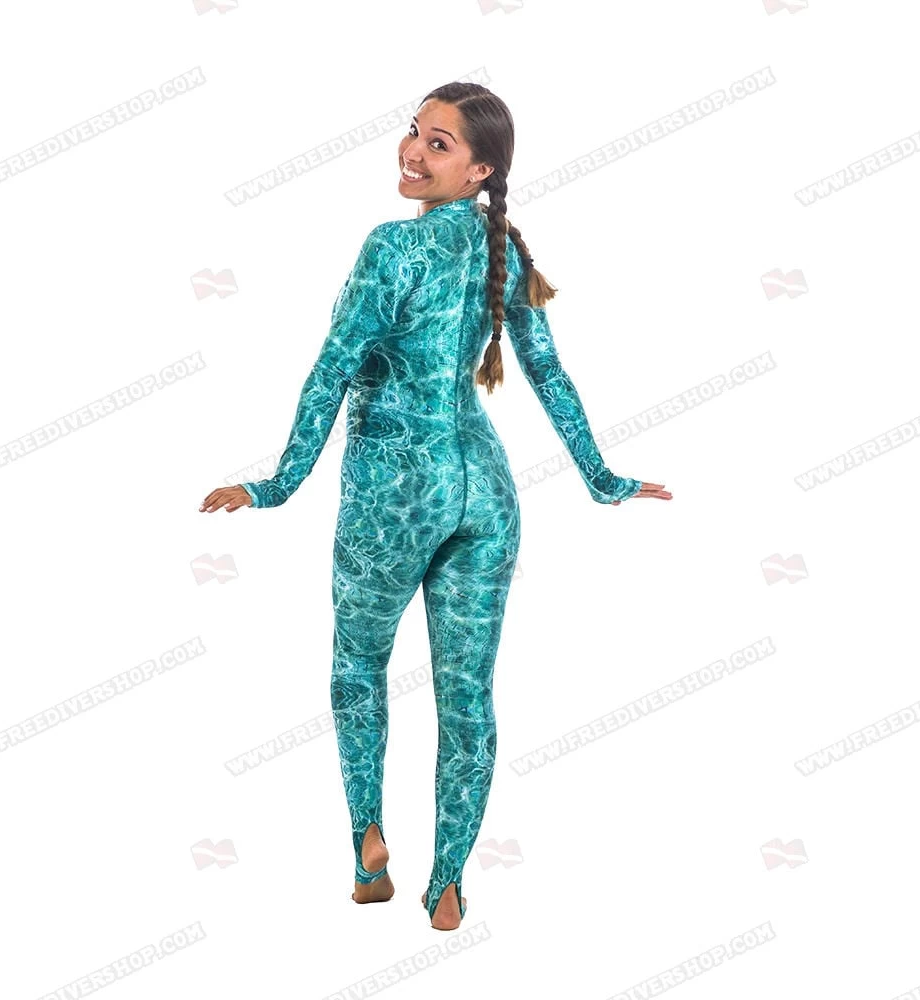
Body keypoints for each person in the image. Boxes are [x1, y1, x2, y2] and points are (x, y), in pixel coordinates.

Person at [200, 81, 672, 931]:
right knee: (468, 697)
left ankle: (367, 847)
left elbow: (331, 370)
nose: (413, 151)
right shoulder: (503, 251)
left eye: (439, 144)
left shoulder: (392, 247)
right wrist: (600, 476)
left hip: (394, 492)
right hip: (485, 490)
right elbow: (547, 371)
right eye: (414, 131)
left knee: (358, 667)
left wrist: (276, 485)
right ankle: (448, 883)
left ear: (480, 170)